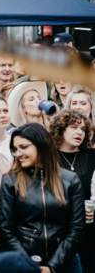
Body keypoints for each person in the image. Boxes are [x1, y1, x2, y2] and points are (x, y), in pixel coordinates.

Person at [0, 123, 86, 273]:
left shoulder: (70, 180)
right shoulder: (11, 180)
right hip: (24, 262)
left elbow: (77, 228)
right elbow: (6, 228)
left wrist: (53, 266)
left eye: (24, 147)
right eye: (15, 149)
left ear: (42, 144)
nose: (18, 153)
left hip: (65, 262)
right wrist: (28, 265)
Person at [50, 109, 95, 271]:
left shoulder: (92, 155)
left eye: (83, 129)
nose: (79, 132)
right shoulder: (48, 158)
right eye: (74, 127)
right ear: (60, 129)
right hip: (61, 234)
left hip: (91, 232)